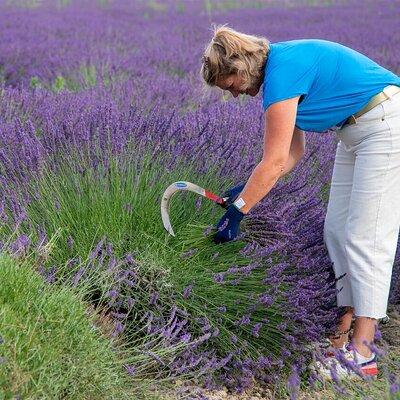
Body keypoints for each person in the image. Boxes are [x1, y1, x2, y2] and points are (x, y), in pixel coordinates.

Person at [200, 24, 400, 381]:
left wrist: (238, 211)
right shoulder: (279, 70)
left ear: (238, 69)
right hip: (355, 133)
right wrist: (244, 190)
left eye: (229, 86)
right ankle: (340, 342)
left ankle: (363, 355)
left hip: (386, 124)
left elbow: (275, 161)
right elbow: (294, 153)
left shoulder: (281, 74)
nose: (232, 95)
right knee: (337, 233)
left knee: (366, 237)